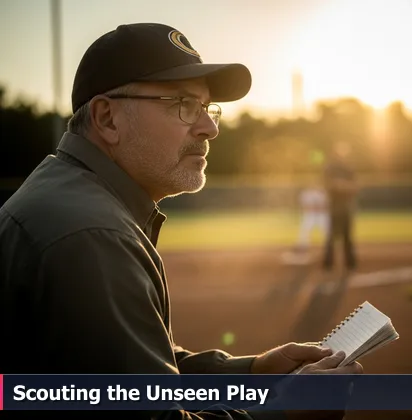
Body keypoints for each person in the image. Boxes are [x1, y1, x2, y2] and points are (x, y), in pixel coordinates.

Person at [0, 23, 361, 419]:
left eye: (207, 108)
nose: (210, 128)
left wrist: (252, 372)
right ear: (107, 118)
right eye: (183, 104)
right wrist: (288, 411)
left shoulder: (73, 198)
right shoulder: (94, 235)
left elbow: (127, 368)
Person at [322, 141, 359, 272]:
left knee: (348, 236)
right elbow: (329, 186)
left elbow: (354, 187)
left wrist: (341, 185)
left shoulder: (349, 168)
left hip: (347, 206)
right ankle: (328, 263)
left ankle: (350, 263)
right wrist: (341, 186)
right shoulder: (330, 168)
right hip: (334, 206)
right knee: (331, 236)